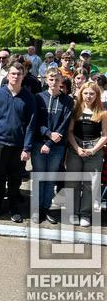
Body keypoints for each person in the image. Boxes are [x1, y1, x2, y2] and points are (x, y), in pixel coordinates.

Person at [0, 62, 36, 223]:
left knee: (15, 180)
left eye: (19, 74)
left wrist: (27, 147)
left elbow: (31, 124)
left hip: (19, 146)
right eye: (13, 73)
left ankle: (14, 207)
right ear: (8, 75)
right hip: (0, 144)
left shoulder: (29, 97)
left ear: (23, 76)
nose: (15, 76)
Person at [31, 69, 74, 224]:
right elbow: (35, 122)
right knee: (39, 177)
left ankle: (46, 209)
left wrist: (50, 142)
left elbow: (65, 124)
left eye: (57, 79)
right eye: (51, 79)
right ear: (46, 79)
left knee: (50, 179)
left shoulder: (68, 101)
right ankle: (36, 210)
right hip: (39, 143)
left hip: (57, 146)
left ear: (61, 80)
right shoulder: (38, 98)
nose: (54, 82)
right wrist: (48, 135)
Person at [66, 82, 107, 227]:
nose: (88, 96)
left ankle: (85, 214)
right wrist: (77, 148)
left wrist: (94, 150)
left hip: (94, 149)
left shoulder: (102, 113)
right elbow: (70, 131)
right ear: (81, 94)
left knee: (91, 184)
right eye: (86, 93)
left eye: (92, 94)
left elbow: (105, 135)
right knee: (73, 182)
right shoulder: (75, 110)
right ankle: (72, 212)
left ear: (97, 96)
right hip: (75, 147)